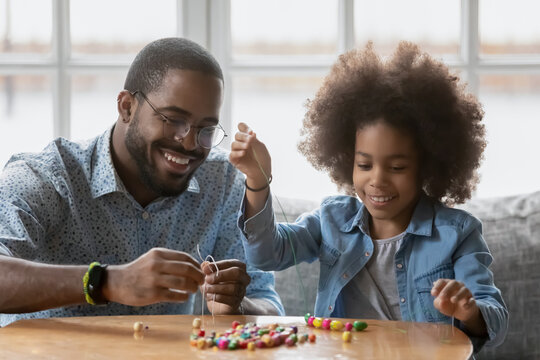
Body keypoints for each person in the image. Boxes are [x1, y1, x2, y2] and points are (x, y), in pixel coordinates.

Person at [230, 41, 507, 353]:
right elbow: (266, 254)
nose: (377, 180)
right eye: (364, 165)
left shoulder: (458, 234)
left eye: (397, 167)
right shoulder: (332, 220)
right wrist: (257, 180)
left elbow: (494, 321)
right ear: (346, 158)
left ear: (428, 166)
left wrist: (468, 310)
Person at [0, 37, 284, 327]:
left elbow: (269, 306)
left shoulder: (223, 182)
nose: (189, 143)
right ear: (126, 107)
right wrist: (106, 281)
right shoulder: (48, 176)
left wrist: (235, 305)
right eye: (173, 120)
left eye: (206, 129)